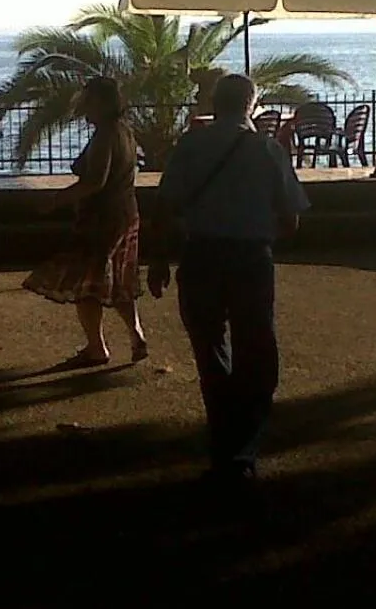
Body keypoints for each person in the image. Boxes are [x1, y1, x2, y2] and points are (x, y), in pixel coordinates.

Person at [147, 73, 309, 484]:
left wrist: (160, 260)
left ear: (214, 103)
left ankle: (223, 440)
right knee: (256, 352)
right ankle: (243, 449)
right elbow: (290, 222)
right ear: (251, 105)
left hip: (200, 255)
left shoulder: (191, 145)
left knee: (210, 350)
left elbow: (165, 207)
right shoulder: (267, 150)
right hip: (250, 259)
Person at [25, 76, 148, 366]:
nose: (83, 106)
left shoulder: (106, 134)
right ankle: (136, 335)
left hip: (101, 219)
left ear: (101, 103)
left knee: (87, 284)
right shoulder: (125, 131)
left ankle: (97, 347)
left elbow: (94, 181)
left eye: (88, 100)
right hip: (126, 212)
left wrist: (56, 200)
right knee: (117, 280)